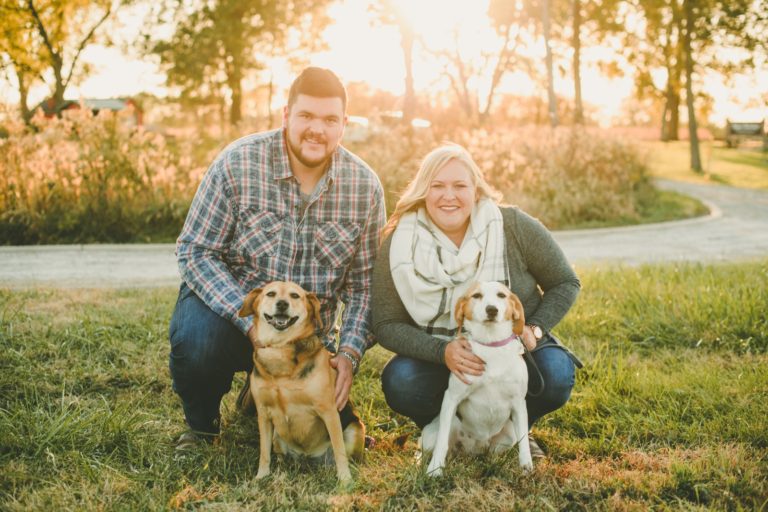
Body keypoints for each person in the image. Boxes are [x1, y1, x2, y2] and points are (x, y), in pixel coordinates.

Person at [169, 67, 386, 449]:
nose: (317, 129)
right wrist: (251, 323)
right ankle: (202, 427)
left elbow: (365, 287)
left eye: (329, 119)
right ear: (286, 115)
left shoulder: (364, 187)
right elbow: (195, 250)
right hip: (236, 318)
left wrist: (348, 354)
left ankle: (262, 395)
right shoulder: (238, 163)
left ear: (344, 125)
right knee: (197, 343)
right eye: (306, 116)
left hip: (307, 340)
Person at [372, 143, 581, 458]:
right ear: (422, 191)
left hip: (512, 350)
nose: (449, 195)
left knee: (557, 373)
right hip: (443, 353)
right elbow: (386, 323)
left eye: (460, 186)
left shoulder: (511, 225)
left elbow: (565, 282)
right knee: (401, 380)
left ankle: (515, 432)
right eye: (437, 186)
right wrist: (442, 351)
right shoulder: (400, 243)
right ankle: (445, 432)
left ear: (476, 189)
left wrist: (533, 329)